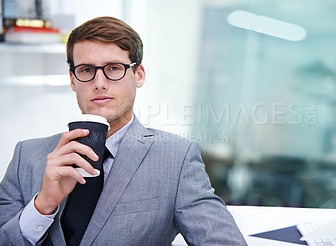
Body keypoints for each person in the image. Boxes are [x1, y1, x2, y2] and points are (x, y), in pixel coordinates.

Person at [0, 16, 247, 245]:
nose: (99, 83)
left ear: (138, 75)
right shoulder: (27, 156)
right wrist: (42, 205)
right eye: (86, 70)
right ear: (73, 80)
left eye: (114, 68)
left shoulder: (176, 158)